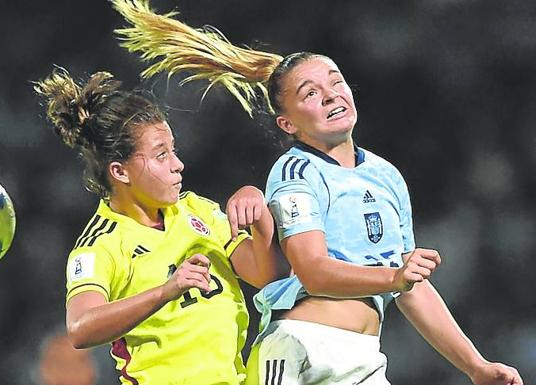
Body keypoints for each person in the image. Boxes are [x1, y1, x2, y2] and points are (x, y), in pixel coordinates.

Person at [110, 1, 524, 384]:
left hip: (364, 358)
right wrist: (393, 278)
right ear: (287, 123)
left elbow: (411, 289)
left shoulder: (386, 175)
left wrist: (476, 366)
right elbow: (312, 270)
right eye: (309, 93)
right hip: (300, 348)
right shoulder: (297, 172)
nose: (329, 94)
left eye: (335, 81)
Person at [33, 68, 289, 385]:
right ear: (120, 171)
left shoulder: (197, 211)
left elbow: (266, 277)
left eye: (173, 150)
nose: (177, 164)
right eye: (161, 155)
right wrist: (166, 292)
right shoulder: (101, 245)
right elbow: (81, 327)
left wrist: (260, 218)